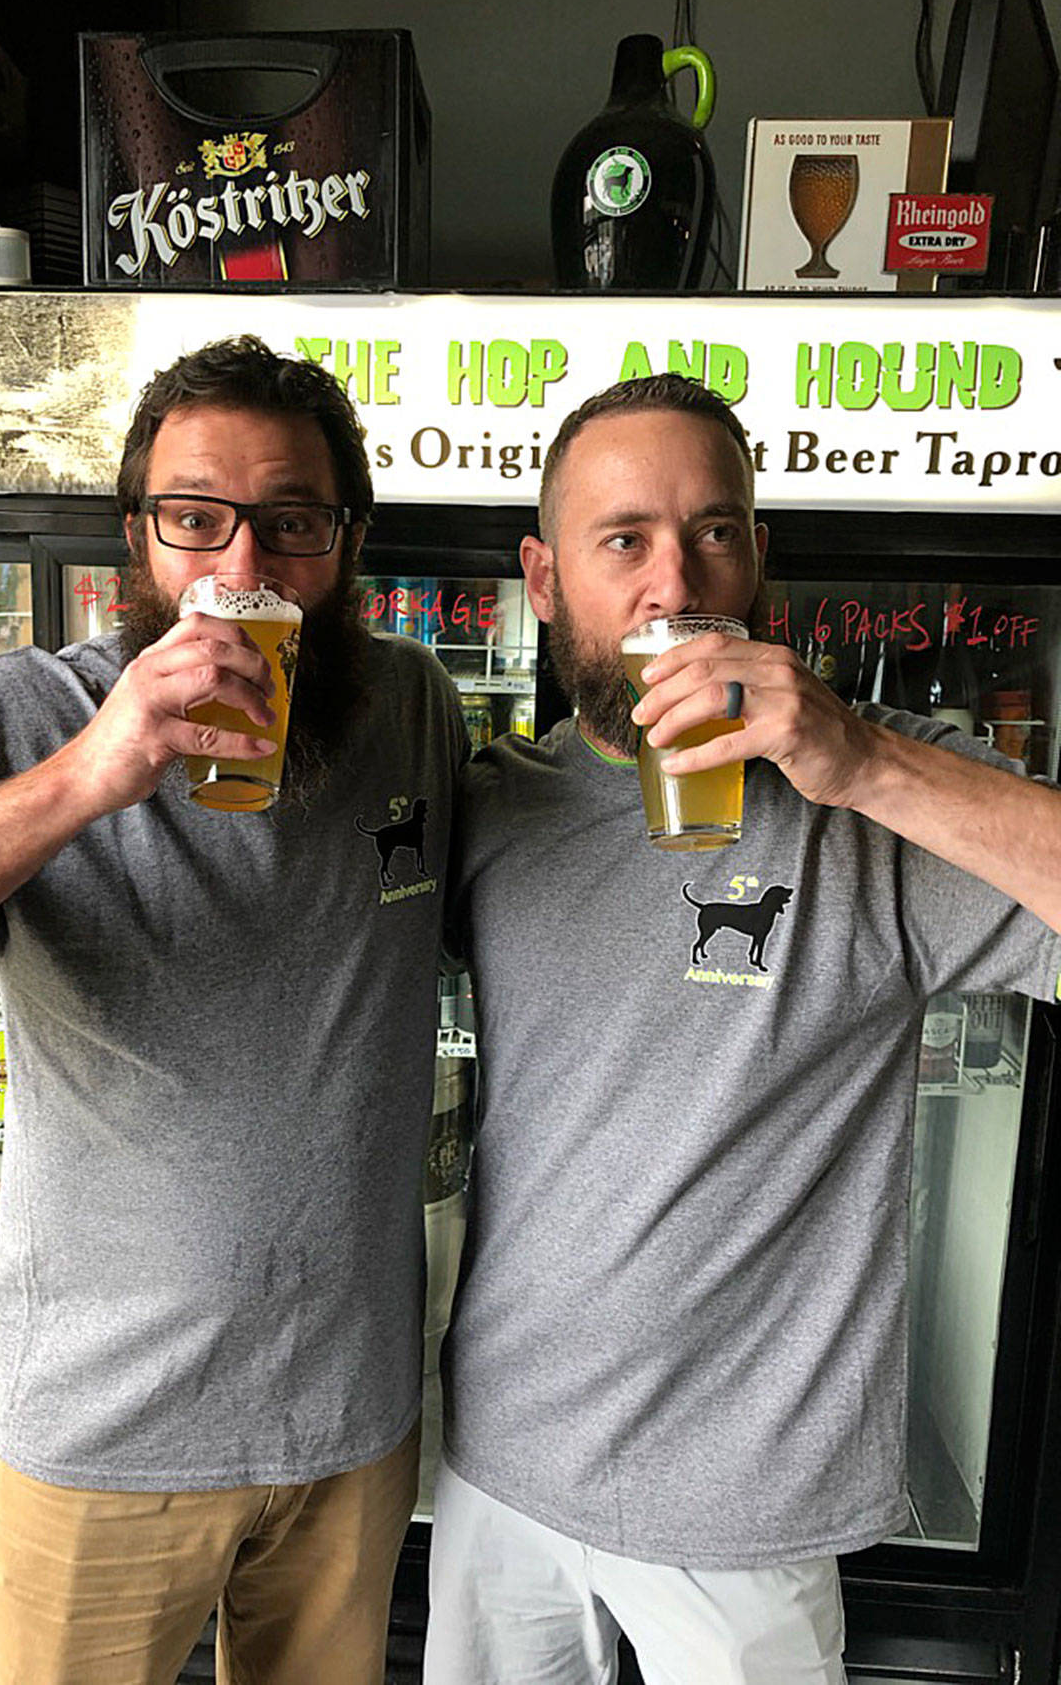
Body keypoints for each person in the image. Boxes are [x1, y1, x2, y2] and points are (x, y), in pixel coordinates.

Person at [0, 336, 468, 1685]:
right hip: (102, 1441)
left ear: (350, 542)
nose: (244, 570)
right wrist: (88, 777)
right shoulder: (11, 724)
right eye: (196, 517)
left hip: (353, 1427)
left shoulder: (412, 708)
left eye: (293, 524)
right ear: (136, 540)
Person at [425, 372, 1061, 1685]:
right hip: (499, 1461)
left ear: (760, 555)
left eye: (714, 530)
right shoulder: (498, 803)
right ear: (543, 582)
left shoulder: (879, 793)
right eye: (626, 541)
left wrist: (863, 764)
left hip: (746, 1504)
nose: (676, 583)